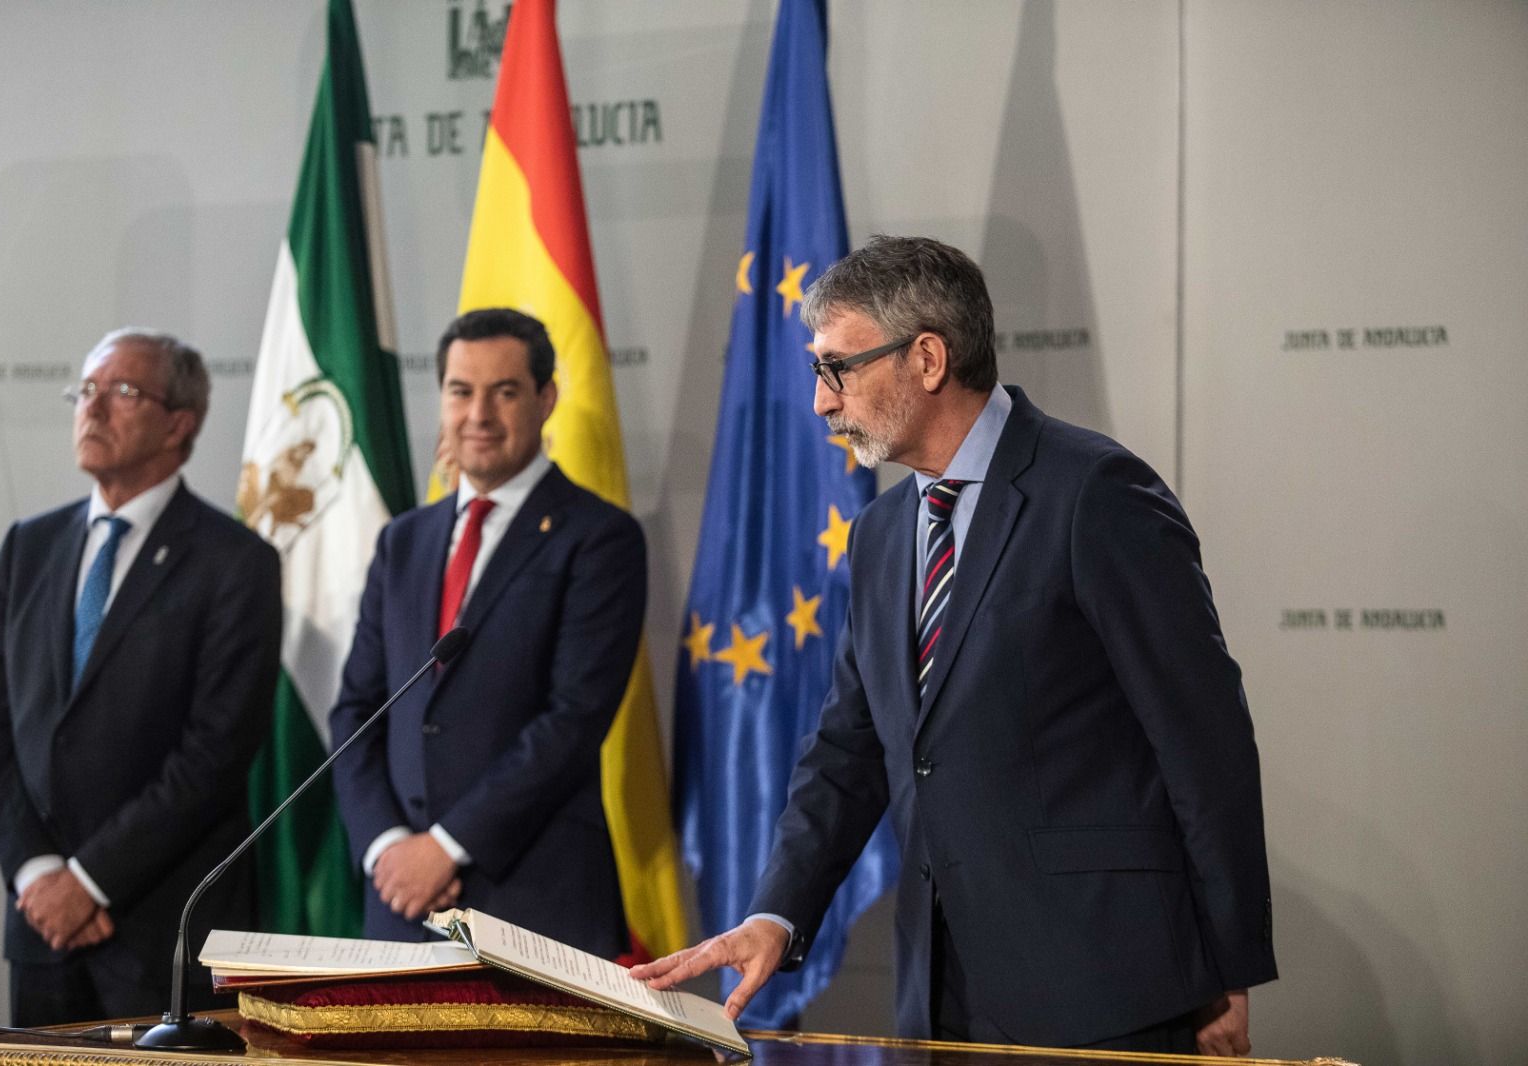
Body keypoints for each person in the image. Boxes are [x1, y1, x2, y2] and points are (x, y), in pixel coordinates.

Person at [635, 237, 1277, 1055]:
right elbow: (848, 751)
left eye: (838, 369)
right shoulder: (880, 532)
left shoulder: (1094, 493)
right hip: (938, 992)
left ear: (928, 358)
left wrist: (1228, 966)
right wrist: (776, 914)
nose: (822, 402)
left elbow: (1204, 740)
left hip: (1107, 988)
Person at [0, 328, 282, 1026]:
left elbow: (215, 752)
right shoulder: (28, 547)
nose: (93, 407)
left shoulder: (236, 563)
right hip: (42, 928)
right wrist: (37, 874)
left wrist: (89, 881)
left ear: (179, 423)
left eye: (123, 391)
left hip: (162, 928)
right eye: (85, 390)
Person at [329, 308, 642, 956]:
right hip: (400, 904)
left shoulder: (599, 538)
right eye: (460, 391)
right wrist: (388, 849)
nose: (479, 415)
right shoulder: (403, 541)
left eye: (504, 392)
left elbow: (573, 719)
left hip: (533, 901)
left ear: (545, 399)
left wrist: (446, 848)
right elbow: (356, 711)